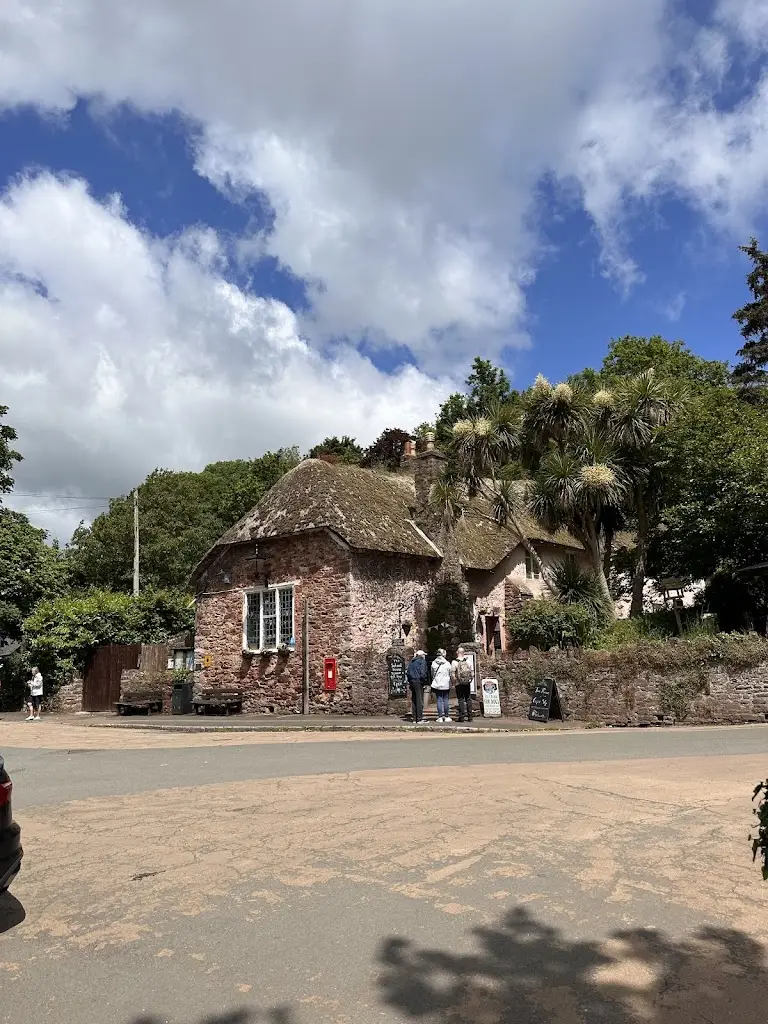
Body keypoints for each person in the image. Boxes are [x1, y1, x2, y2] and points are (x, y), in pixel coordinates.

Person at [452, 646, 474, 723]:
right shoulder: (468, 662)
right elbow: (472, 673)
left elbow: (453, 675)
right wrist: (470, 680)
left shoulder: (454, 662)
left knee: (460, 700)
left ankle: (461, 717)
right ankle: (470, 717)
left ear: (457, 653)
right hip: (467, 683)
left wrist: (454, 682)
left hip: (459, 683)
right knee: (468, 699)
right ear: (464, 653)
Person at [430, 648, 452, 722]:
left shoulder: (434, 663)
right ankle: (446, 716)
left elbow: (432, 673)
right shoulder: (447, 663)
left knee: (439, 699)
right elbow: (450, 673)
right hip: (446, 683)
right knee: (445, 699)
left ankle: (440, 717)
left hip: (437, 683)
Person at [406, 650, 428, 724]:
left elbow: (408, 672)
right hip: (419, 682)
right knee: (419, 700)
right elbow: (423, 673)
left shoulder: (412, 662)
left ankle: (414, 718)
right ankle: (419, 718)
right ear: (421, 655)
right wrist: (424, 681)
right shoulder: (422, 661)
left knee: (414, 700)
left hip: (412, 682)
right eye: (424, 655)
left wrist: (410, 681)